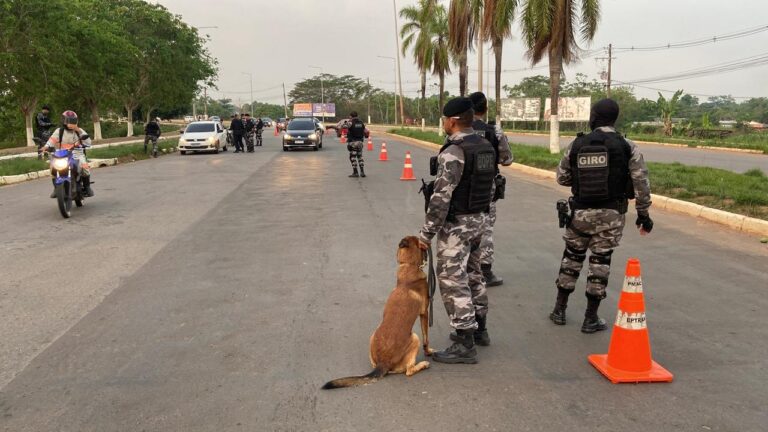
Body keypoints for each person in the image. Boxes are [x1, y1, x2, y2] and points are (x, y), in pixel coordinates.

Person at [549, 98, 653, 333]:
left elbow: (562, 178)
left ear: (594, 117)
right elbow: (641, 183)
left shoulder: (576, 145)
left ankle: (559, 310)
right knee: (600, 262)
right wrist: (643, 214)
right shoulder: (628, 146)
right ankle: (590, 318)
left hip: (580, 213)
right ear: (614, 119)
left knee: (571, 259)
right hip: (611, 214)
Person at [417, 97, 496, 364]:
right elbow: (491, 187)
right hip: (479, 220)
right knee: (474, 273)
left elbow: (441, 197)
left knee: (452, 278)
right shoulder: (485, 145)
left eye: (444, 120)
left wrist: (426, 234)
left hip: (458, 225)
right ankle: (480, 329)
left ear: (451, 121)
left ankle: (465, 342)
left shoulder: (454, 151)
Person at [468, 92, 514, 287]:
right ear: (485, 109)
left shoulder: (460, 130)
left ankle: (465, 267)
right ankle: (485, 271)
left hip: (464, 185)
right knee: (485, 227)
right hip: (487, 186)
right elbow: (507, 160)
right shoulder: (495, 132)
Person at [41, 110, 94, 198]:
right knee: (53, 167)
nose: (71, 123)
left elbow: (88, 142)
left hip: (77, 154)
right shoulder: (59, 131)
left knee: (84, 166)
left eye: (73, 121)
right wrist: (46, 147)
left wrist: (78, 130)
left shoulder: (79, 131)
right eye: (69, 121)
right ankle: (56, 188)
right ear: (64, 121)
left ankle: (87, 187)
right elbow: (52, 140)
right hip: (62, 154)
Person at [346, 111, 366, 178]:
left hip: (353, 143)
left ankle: (355, 172)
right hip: (360, 142)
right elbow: (365, 131)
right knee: (360, 157)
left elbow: (343, 127)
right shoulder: (361, 123)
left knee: (352, 157)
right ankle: (362, 172)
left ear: (351, 116)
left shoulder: (350, 123)